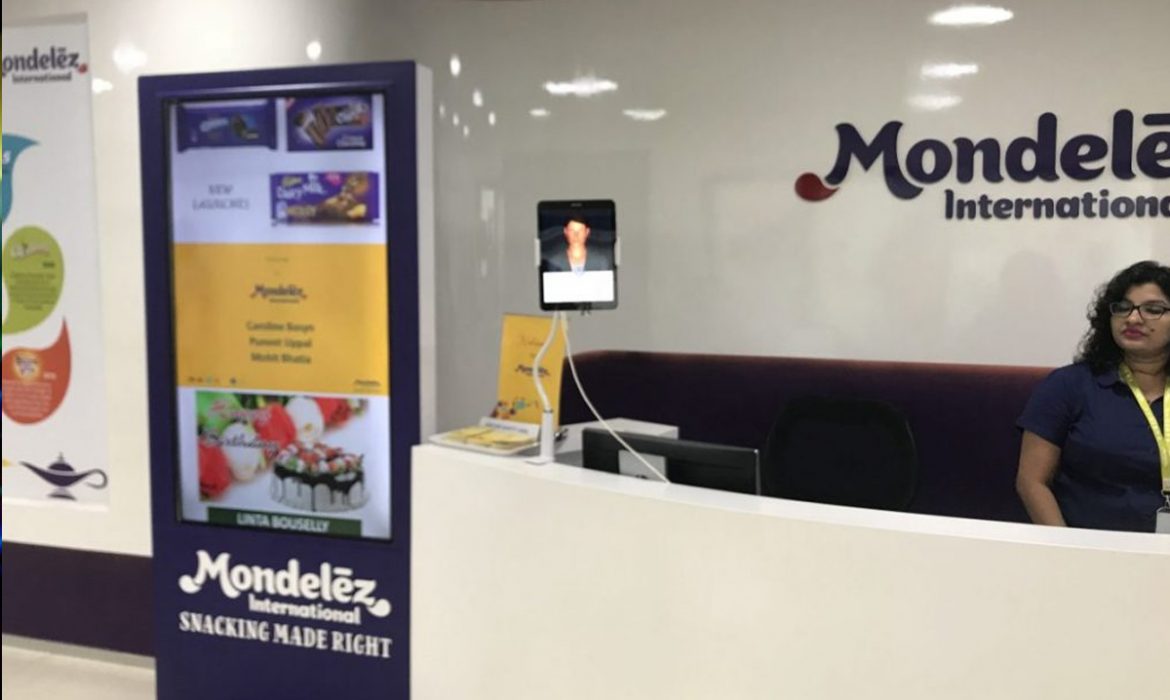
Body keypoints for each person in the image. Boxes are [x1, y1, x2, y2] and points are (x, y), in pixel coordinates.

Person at [1016, 260, 1170, 532]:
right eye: (1122, 307)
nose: (1133, 318)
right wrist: (1066, 546)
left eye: (1153, 310)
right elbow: (1031, 482)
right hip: (1086, 544)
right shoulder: (1069, 385)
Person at [541, 215, 613, 273]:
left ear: (587, 232)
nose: (576, 235)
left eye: (580, 231)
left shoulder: (600, 261)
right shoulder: (555, 261)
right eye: (572, 231)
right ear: (566, 231)